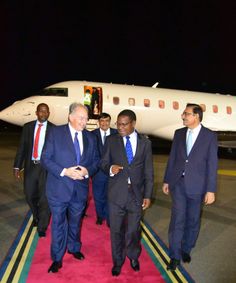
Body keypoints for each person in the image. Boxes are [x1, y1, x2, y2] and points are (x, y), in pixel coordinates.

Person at [41, 102, 99, 273]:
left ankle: (74, 248)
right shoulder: (55, 133)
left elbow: (96, 161)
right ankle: (57, 258)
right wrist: (65, 172)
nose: (84, 122)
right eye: (81, 118)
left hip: (79, 190)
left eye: (86, 118)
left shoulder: (91, 137)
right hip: (58, 190)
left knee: (75, 222)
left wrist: (88, 171)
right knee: (58, 224)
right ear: (70, 117)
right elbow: (46, 159)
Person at [162, 103, 218, 271]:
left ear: (196, 116)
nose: (183, 116)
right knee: (177, 219)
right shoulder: (179, 134)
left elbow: (212, 164)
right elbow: (172, 159)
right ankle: (174, 255)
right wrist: (167, 180)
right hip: (178, 183)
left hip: (198, 186)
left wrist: (211, 189)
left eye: (186, 114)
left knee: (193, 220)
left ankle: (186, 248)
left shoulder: (209, 136)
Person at [100, 109, 154, 276]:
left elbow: (149, 171)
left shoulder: (145, 143)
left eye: (124, 124)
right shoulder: (111, 140)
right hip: (116, 194)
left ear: (133, 124)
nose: (120, 127)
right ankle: (117, 261)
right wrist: (110, 168)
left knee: (133, 230)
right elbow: (103, 163)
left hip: (136, 195)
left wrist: (148, 195)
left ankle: (133, 256)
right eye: (118, 124)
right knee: (116, 231)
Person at [13, 103, 53, 237]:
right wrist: (17, 166)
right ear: (37, 113)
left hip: (45, 168)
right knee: (29, 195)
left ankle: (42, 226)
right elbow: (22, 148)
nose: (44, 114)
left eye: (46, 112)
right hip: (30, 166)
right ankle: (36, 216)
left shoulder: (53, 129)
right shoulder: (28, 127)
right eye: (41, 111)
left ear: (48, 113)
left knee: (44, 198)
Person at [91, 113, 117, 226]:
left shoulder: (117, 133)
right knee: (98, 196)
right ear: (98, 122)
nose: (104, 123)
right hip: (98, 172)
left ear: (110, 121)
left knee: (111, 196)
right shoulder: (92, 135)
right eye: (102, 121)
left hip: (113, 172)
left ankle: (109, 217)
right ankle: (100, 216)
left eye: (107, 121)